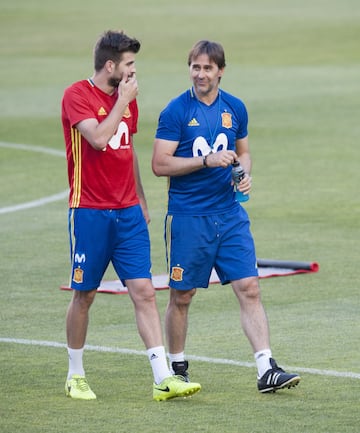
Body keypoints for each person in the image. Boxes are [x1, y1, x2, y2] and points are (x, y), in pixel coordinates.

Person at [152, 40, 301, 393]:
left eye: (207, 68)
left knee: (249, 287)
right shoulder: (175, 111)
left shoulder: (235, 107)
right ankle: (177, 367)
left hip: (230, 215)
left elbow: (244, 152)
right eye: (195, 67)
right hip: (189, 218)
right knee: (182, 295)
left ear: (221, 70)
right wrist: (205, 160)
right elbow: (160, 164)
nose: (200, 74)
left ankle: (266, 368)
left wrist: (244, 173)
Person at [61, 30, 201, 401]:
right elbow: (99, 139)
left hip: (127, 213)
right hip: (89, 211)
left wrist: (139, 196)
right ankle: (75, 374)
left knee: (143, 291)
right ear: (111, 66)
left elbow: (126, 147)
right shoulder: (77, 96)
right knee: (84, 294)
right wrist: (122, 100)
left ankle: (162, 377)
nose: (133, 71)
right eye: (129, 65)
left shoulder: (127, 100)